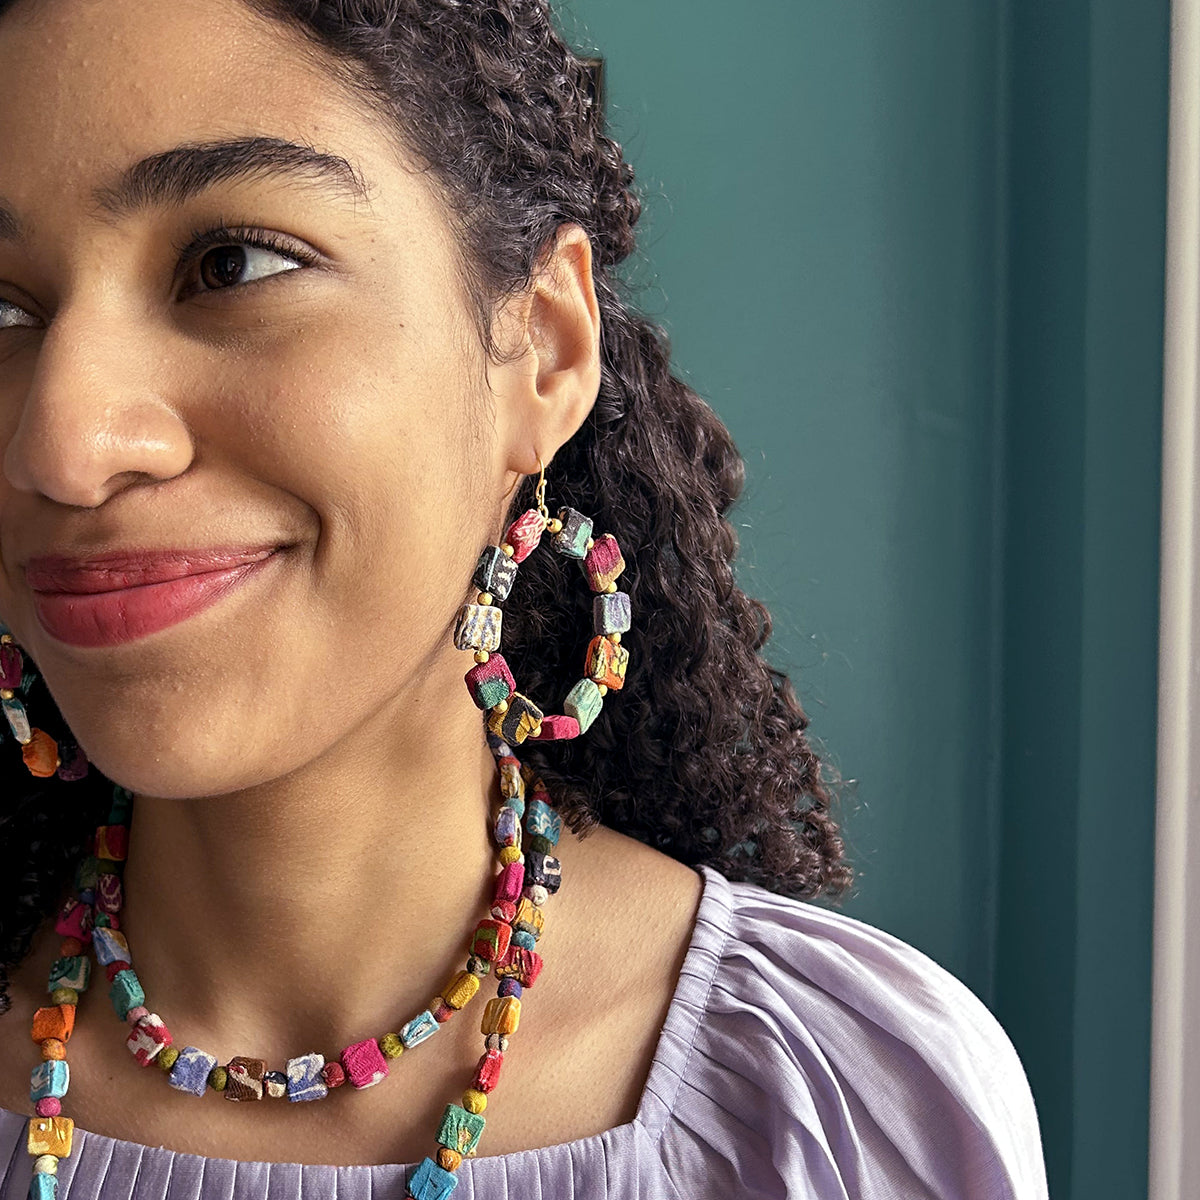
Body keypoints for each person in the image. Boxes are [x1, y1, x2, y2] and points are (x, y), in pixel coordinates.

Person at [0, 0, 1050, 1196]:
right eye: (1, 311)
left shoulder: (842, 1108)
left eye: (229, 265)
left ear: (544, 350)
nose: (63, 444)